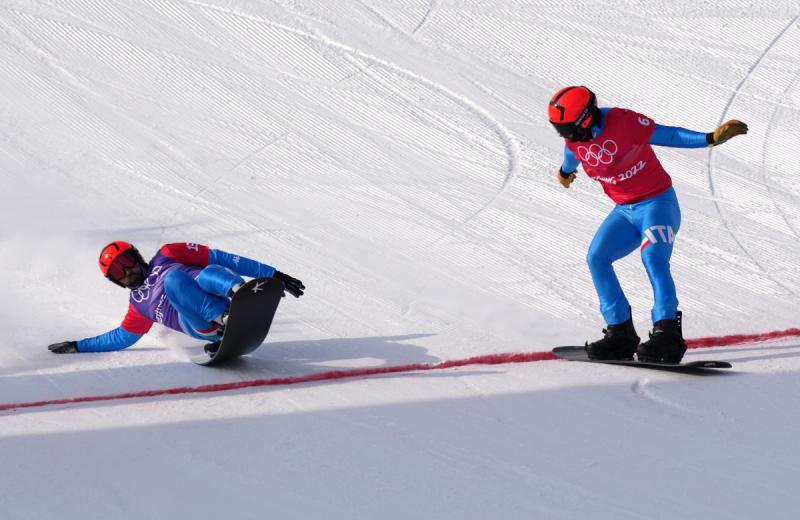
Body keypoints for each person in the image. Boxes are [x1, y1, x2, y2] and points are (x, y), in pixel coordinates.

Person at [548, 85, 747, 363]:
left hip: (657, 205)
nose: (564, 135)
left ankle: (667, 334)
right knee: (597, 257)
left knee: (653, 256)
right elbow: (571, 156)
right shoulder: (575, 140)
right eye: (559, 129)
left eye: (567, 129)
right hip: (625, 211)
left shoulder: (623, 122)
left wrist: (710, 138)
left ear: (585, 118)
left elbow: (669, 134)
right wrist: (565, 172)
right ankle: (620, 334)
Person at [47, 242, 304, 354]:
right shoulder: (138, 306)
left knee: (207, 273)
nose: (127, 271)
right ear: (115, 281)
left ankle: (239, 295)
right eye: (118, 271)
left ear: (137, 257)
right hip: (202, 325)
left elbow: (221, 258)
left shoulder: (168, 254)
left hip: (219, 291)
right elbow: (120, 338)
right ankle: (225, 319)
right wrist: (78, 345)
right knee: (174, 281)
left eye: (126, 262)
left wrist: (274, 274)